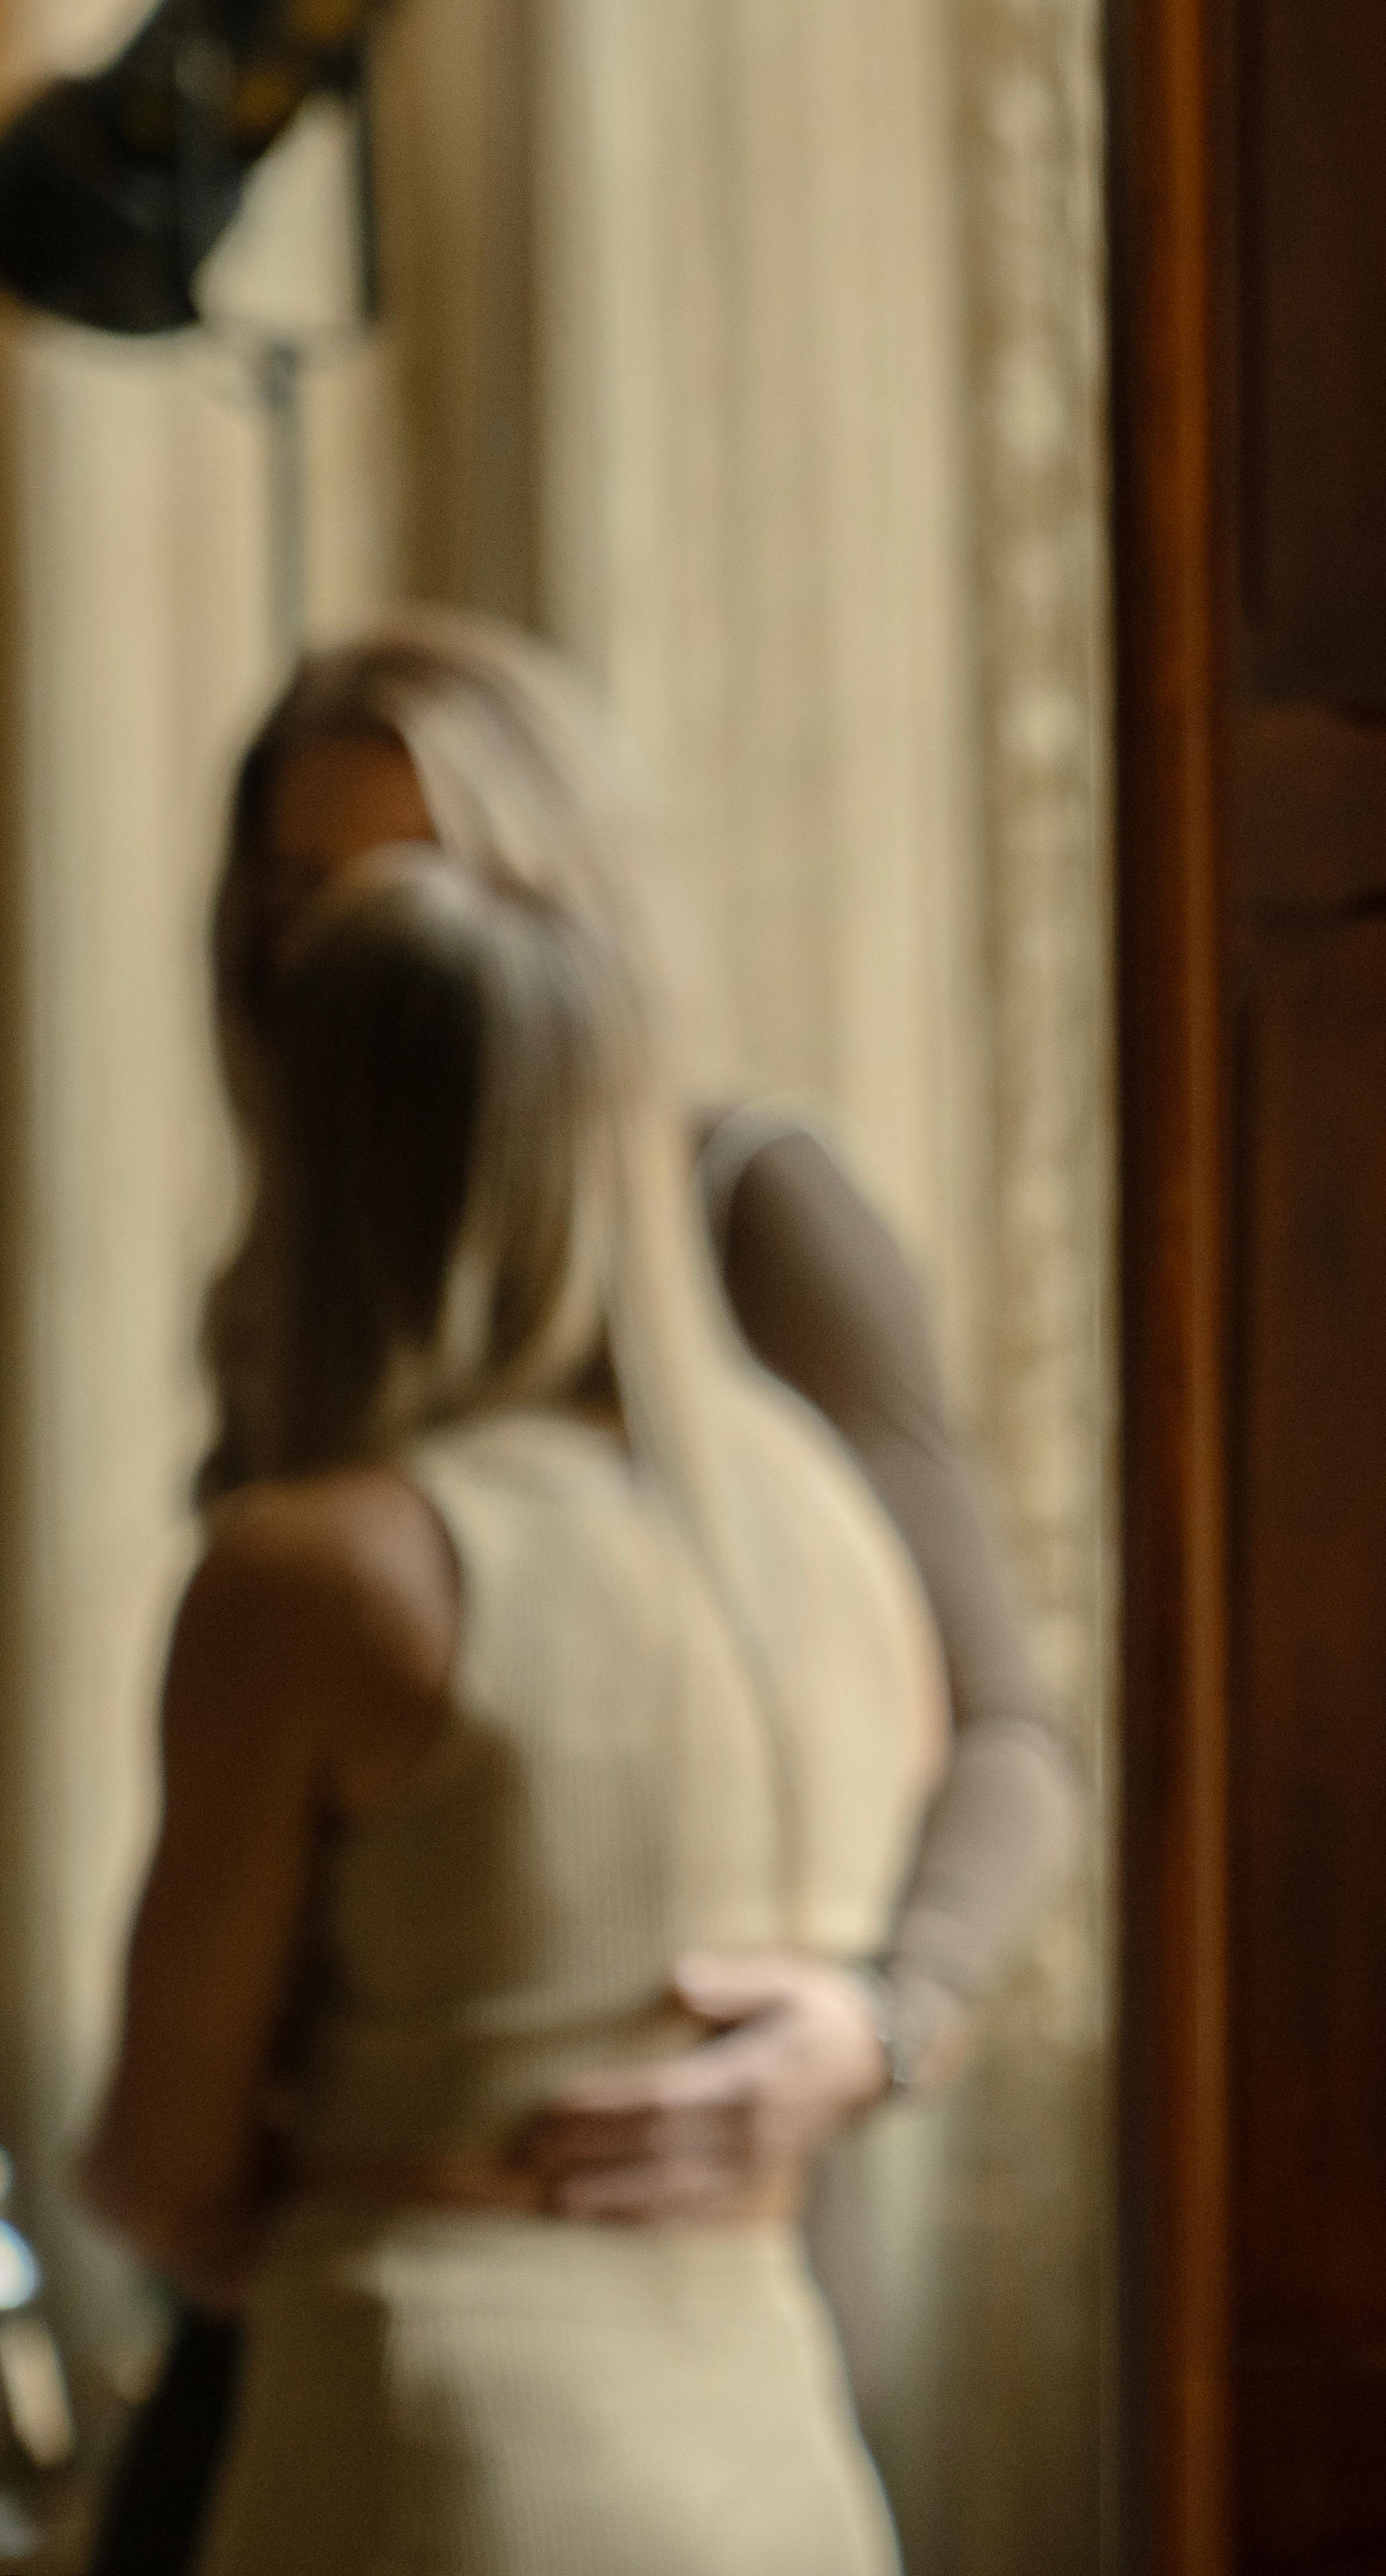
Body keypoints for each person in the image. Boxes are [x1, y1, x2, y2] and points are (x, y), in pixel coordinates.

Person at [83, 613, 1088, 2570]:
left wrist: (880, 2020)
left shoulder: (748, 1212)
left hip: (678, 2237)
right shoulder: (294, 1289)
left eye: (418, 881)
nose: (355, 957)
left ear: (546, 905)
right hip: (350, 2222)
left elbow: (1014, 1731)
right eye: (296, 901)